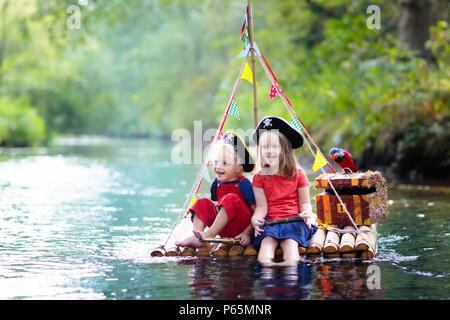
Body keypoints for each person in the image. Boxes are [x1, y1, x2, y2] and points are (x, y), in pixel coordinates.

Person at [251, 116, 318, 266]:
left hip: (294, 221)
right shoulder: (259, 177)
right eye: (265, 147)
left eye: (274, 147)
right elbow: (262, 207)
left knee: (290, 246)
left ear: (285, 149)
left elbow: (305, 202)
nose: (269, 151)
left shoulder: (298, 174)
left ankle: (289, 271)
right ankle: (268, 274)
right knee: (266, 247)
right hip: (270, 223)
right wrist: (255, 219)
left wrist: (307, 212)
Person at [175, 131, 255, 248]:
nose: (218, 166)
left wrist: (247, 233)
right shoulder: (215, 184)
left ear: (238, 168)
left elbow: (257, 213)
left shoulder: (244, 185)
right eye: (216, 162)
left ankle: (207, 236)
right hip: (226, 228)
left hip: (242, 228)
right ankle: (198, 236)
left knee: (230, 199)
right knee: (202, 202)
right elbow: (218, 210)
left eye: (224, 163)